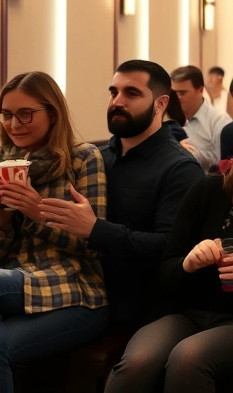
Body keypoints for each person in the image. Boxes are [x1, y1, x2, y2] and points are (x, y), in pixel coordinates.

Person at [105, 98, 233, 392]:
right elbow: (167, 271)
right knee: (138, 361)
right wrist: (189, 262)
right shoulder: (208, 189)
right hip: (186, 313)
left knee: (189, 358)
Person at [40, 60, 203, 330]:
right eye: (113, 92)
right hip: (76, 291)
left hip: (142, 305)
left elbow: (169, 249)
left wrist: (95, 229)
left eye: (132, 93)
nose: (117, 101)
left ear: (161, 104)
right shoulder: (95, 159)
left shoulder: (180, 169)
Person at [0, 71, 108, 390]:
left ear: (53, 113)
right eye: (6, 114)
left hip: (75, 293)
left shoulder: (83, 158)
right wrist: (2, 218)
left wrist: (37, 210)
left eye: (25, 113)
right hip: (11, 287)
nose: (14, 123)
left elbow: (92, 244)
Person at [171, 66, 232, 173]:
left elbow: (223, 165)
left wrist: (191, 154)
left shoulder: (219, 121)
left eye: (182, 93)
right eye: (174, 93)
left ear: (200, 90)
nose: (176, 98)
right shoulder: (166, 119)